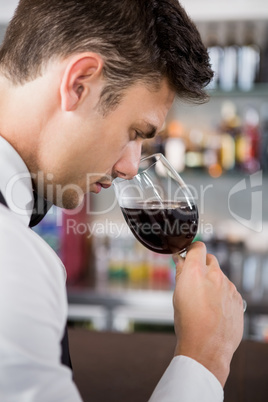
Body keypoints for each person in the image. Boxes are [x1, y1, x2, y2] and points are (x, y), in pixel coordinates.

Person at [0, 0, 244, 401]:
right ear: (79, 83)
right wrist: (205, 357)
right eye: (135, 131)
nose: (132, 167)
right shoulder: (11, 259)